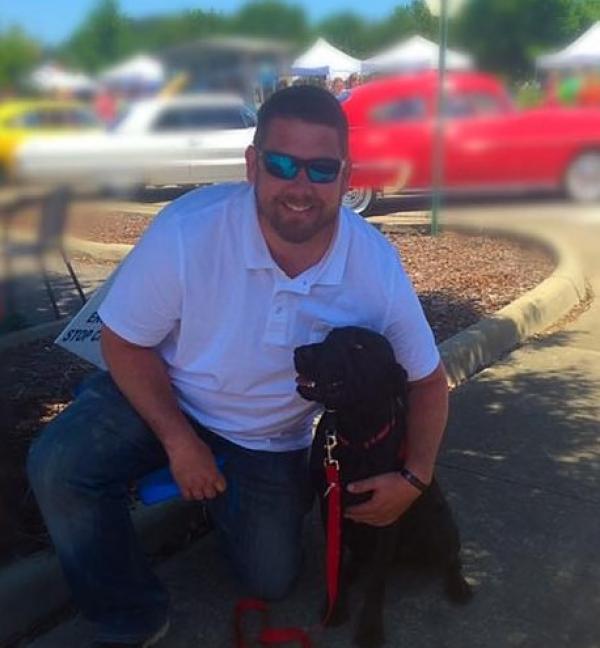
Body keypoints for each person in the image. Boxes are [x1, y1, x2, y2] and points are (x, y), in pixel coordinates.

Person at [27, 85, 448, 647]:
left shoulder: (374, 266)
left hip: (270, 437)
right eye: (281, 163)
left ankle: (224, 496)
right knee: (59, 463)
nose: (300, 187)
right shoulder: (188, 230)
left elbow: (426, 380)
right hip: (168, 395)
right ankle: (131, 615)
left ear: (347, 177)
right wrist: (181, 443)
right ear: (253, 165)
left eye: (321, 169)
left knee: (270, 579)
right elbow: (123, 341)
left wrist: (414, 478)